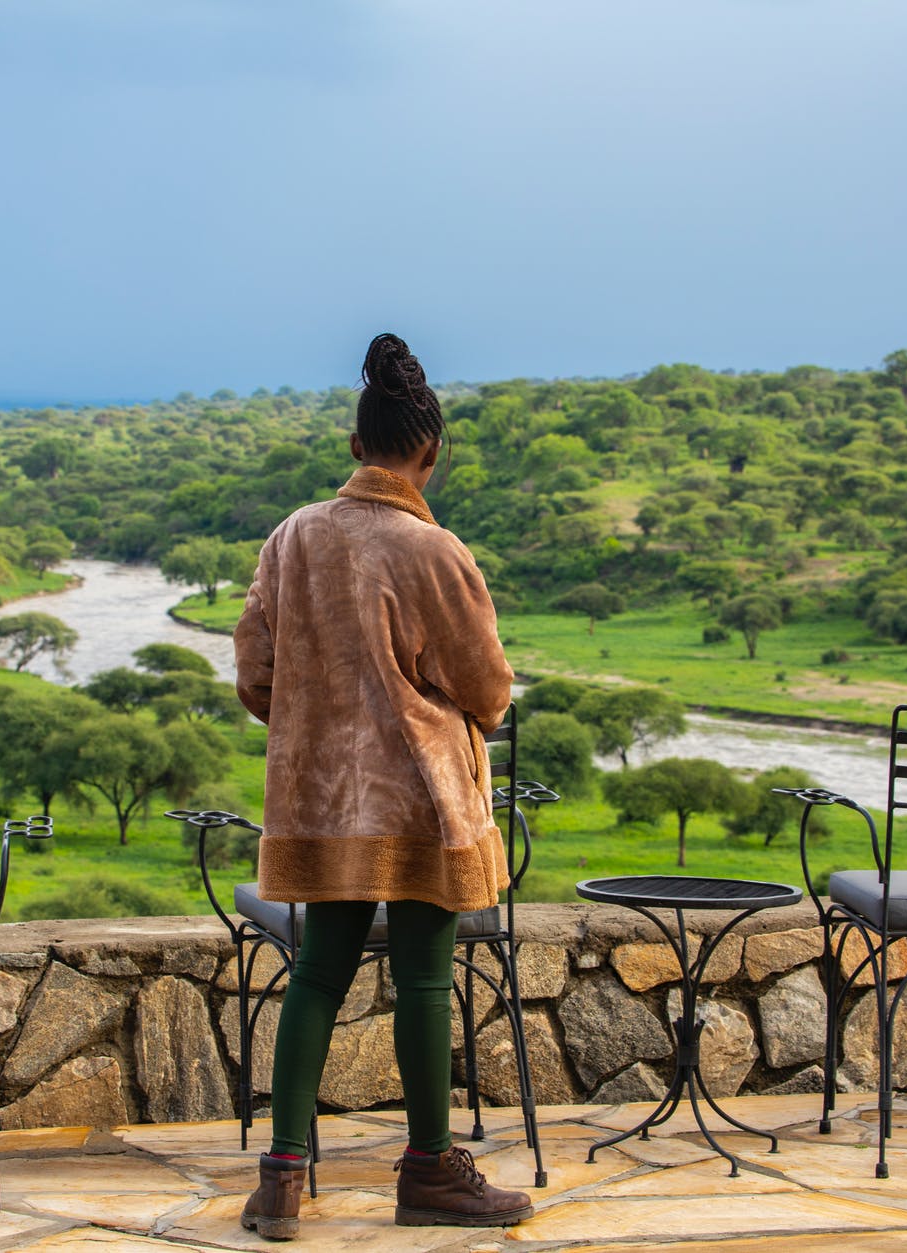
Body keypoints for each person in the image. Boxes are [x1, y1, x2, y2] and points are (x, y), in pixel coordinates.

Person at [231, 332, 530, 1239]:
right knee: (426, 982)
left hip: (320, 801)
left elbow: (255, 674)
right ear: (428, 455)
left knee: (317, 973)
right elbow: (487, 691)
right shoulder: (433, 551)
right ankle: (430, 1170)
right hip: (419, 800)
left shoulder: (292, 539)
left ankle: (283, 1177)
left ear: (357, 446)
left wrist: (317, 723)